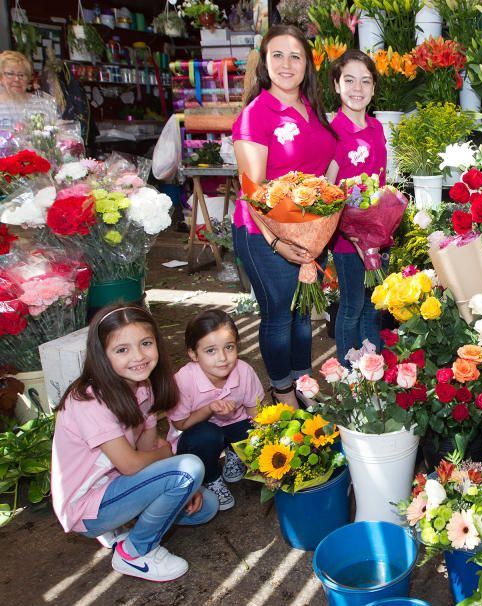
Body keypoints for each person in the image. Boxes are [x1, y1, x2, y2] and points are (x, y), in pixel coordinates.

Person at [50, 305, 219, 582]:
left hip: (119, 487)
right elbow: (131, 464)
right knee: (187, 468)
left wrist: (188, 485)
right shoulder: (89, 401)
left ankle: (124, 525)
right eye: (122, 350)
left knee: (206, 506)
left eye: (145, 344)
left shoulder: (143, 386)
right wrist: (172, 461)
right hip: (88, 507)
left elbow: (147, 444)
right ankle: (134, 552)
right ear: (102, 356)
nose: (139, 357)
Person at [232, 24, 338, 407]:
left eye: (296, 55)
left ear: (307, 64)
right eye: (277, 54)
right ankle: (281, 394)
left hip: (309, 232)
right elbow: (252, 187)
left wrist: (328, 215)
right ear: (263, 62)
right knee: (278, 315)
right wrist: (277, 240)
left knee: (301, 317)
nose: (287, 63)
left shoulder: (312, 108)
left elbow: (327, 165)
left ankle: (302, 386)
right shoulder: (255, 114)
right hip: (264, 235)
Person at [327, 50, 389, 364]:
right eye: (349, 80)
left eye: (366, 81)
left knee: (374, 304)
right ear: (336, 85)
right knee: (351, 306)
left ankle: (371, 366)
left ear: (374, 89)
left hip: (377, 237)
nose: (358, 88)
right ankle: (347, 371)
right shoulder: (332, 132)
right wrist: (348, 229)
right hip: (347, 241)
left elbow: (381, 181)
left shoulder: (377, 129)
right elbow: (328, 190)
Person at [169, 309, 264, 511]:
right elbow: (180, 424)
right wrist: (209, 409)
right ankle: (211, 477)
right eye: (210, 350)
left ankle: (235, 453)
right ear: (193, 354)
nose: (222, 358)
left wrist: (261, 448)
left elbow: (256, 412)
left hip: (233, 426)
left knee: (251, 425)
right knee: (207, 435)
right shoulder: (184, 380)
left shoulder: (243, 371)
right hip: (195, 437)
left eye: (229, 347)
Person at [0, 50, 58, 136]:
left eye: (21, 75)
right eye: (10, 74)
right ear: (1, 78)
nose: (16, 79)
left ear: (28, 79)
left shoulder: (44, 104)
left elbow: (56, 135)